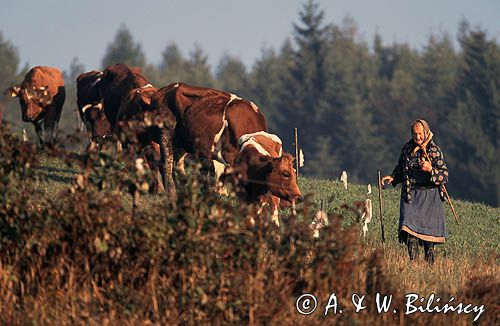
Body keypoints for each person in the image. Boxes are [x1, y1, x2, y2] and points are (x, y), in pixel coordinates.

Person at [381, 119, 448, 265]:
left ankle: (429, 265)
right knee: (408, 229)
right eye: (415, 134)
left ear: (425, 133)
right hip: (411, 195)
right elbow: (400, 167)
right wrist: (392, 177)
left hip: (430, 197)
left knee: (429, 237)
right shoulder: (407, 148)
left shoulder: (433, 150)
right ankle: (414, 263)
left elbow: (444, 175)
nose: (417, 137)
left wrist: (431, 169)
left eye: (420, 134)